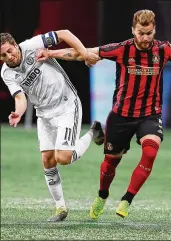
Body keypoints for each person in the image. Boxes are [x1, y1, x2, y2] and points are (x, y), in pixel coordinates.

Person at [37, 10, 171, 219]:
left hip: (150, 115)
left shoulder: (164, 49)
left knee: (150, 153)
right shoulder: (122, 49)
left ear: (154, 30)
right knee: (110, 163)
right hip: (121, 116)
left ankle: (126, 200)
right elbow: (82, 52)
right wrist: (51, 54)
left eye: (149, 33)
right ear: (133, 31)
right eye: (141, 33)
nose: (145, 38)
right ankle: (102, 196)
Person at [0, 30, 105, 222]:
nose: (9, 56)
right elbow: (20, 97)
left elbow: (64, 33)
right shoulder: (6, 72)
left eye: (9, 50)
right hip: (44, 114)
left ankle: (93, 132)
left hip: (66, 105)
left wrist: (84, 53)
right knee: (48, 161)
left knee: (63, 157)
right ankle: (60, 208)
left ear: (15, 45)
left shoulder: (32, 45)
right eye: (3, 55)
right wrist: (19, 112)